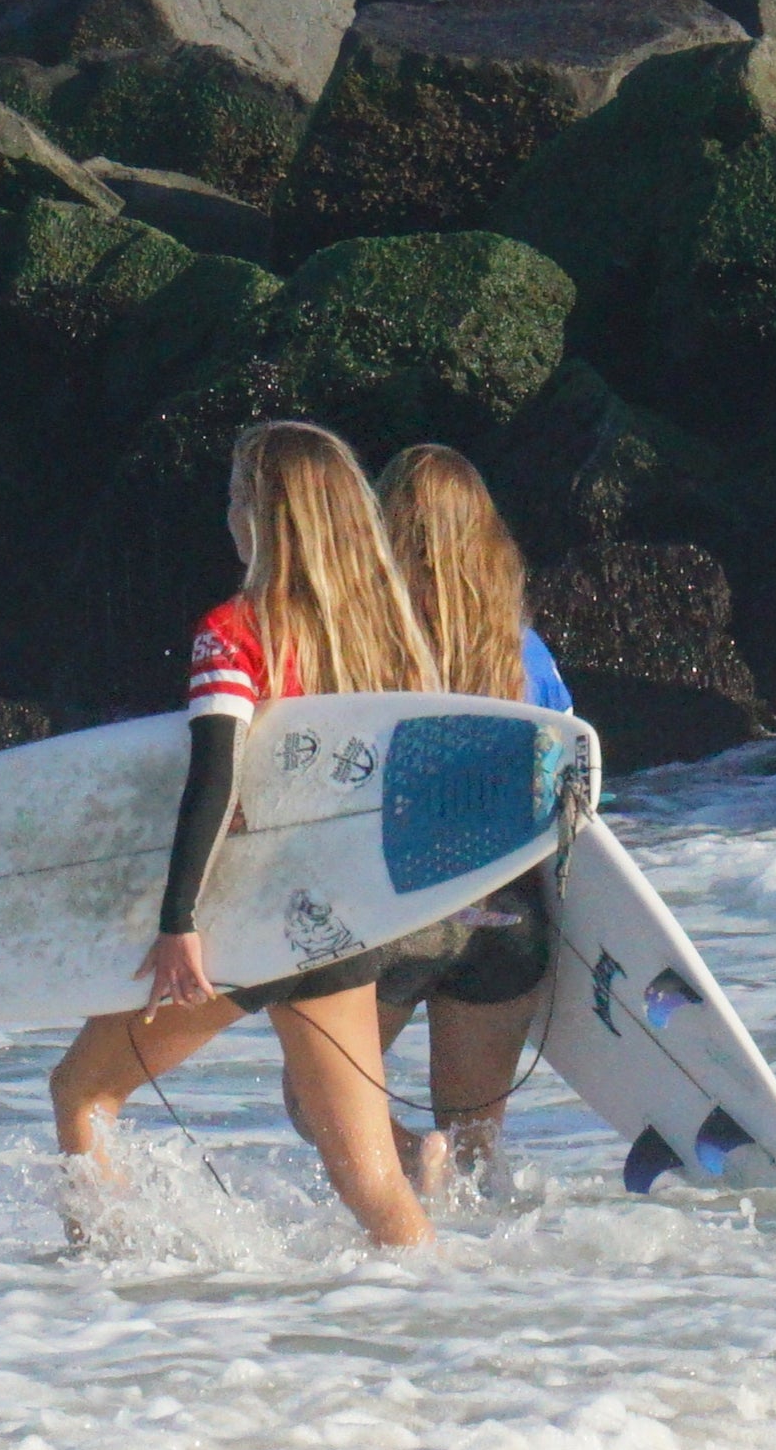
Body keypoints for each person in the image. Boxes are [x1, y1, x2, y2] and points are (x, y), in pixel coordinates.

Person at [44, 419, 446, 1247]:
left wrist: (178, 922)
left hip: (247, 917)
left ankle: (94, 1290)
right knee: (369, 1181)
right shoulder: (393, 639)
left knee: (82, 1093)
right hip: (343, 916)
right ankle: (440, 1317)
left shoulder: (235, 631)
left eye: (235, 495)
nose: (226, 512)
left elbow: (213, 778)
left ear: (266, 514)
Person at [371, 445, 571, 1180]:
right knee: (477, 1157)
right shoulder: (529, 658)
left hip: (406, 914)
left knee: (315, 1101)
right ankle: (481, 1288)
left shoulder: (373, 655)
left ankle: (406, 1163)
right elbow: (570, 798)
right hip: (511, 920)